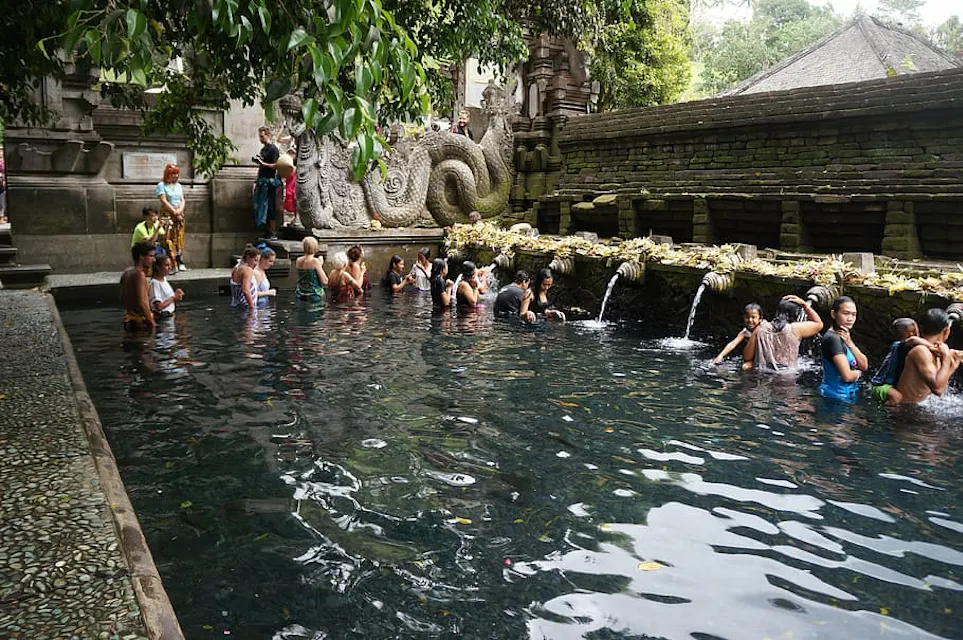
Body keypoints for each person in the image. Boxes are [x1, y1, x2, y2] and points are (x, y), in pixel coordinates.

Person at [895, 308, 962, 404]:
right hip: (906, 413)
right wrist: (947, 358)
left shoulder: (939, 351)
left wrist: (952, 365)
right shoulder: (920, 351)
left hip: (919, 409)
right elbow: (938, 390)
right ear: (946, 331)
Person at [743, 294, 823, 371]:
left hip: (763, 375)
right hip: (787, 377)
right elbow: (819, 324)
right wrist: (804, 305)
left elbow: (747, 357)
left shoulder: (761, 328)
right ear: (795, 314)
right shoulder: (795, 329)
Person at [871, 318, 935, 404]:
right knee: (897, 396)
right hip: (880, 386)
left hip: (891, 385)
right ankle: (887, 412)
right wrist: (936, 348)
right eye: (917, 330)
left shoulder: (905, 348)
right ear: (912, 333)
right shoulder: (899, 346)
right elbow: (913, 340)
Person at [818, 296, 869, 402]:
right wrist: (858, 374)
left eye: (853, 314)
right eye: (846, 313)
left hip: (846, 394)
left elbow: (864, 365)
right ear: (833, 314)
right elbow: (847, 376)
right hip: (835, 397)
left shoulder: (845, 336)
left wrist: (850, 343)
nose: (850, 318)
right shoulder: (833, 339)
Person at [155, 163, 187, 271]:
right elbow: (163, 200)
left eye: (177, 174)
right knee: (168, 239)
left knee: (179, 238)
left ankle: (179, 260)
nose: (175, 176)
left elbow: (182, 199)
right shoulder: (161, 185)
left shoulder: (178, 186)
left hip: (179, 215)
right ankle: (171, 263)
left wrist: (179, 211)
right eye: (173, 174)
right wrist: (174, 212)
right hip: (168, 215)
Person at [120, 241, 156, 332]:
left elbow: (123, 298)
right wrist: (152, 323)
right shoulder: (139, 274)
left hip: (129, 319)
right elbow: (142, 302)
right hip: (139, 322)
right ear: (141, 257)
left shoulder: (126, 272)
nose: (154, 260)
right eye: (151, 256)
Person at [253, 126, 282, 238]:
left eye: (262, 136)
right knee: (260, 207)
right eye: (259, 136)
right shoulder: (263, 149)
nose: (260, 139)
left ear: (268, 135)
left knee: (270, 207)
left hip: (270, 182)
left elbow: (276, 165)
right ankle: (266, 230)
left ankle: (273, 231)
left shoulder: (273, 149)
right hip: (262, 180)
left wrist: (263, 164)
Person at [294, 236, 329, 303]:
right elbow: (325, 281)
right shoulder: (315, 261)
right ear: (315, 247)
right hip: (314, 295)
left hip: (300, 294)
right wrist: (320, 265)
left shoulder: (298, 260)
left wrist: (319, 264)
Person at [149, 254, 184, 319]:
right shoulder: (155, 283)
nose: (170, 268)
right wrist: (173, 298)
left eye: (170, 265)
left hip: (170, 315)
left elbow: (166, 298)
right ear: (158, 267)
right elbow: (158, 307)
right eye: (167, 265)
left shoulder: (164, 279)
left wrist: (177, 295)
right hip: (163, 317)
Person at [231, 244, 260, 309]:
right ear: (248, 257)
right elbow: (246, 290)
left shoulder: (236, 268)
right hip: (245, 306)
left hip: (236, 304)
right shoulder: (247, 270)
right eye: (255, 260)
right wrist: (252, 307)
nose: (256, 264)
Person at [276, 150, 298, 228]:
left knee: (295, 201)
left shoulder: (295, 168)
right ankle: (292, 219)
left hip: (294, 187)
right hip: (289, 188)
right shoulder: (287, 166)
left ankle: (296, 218)